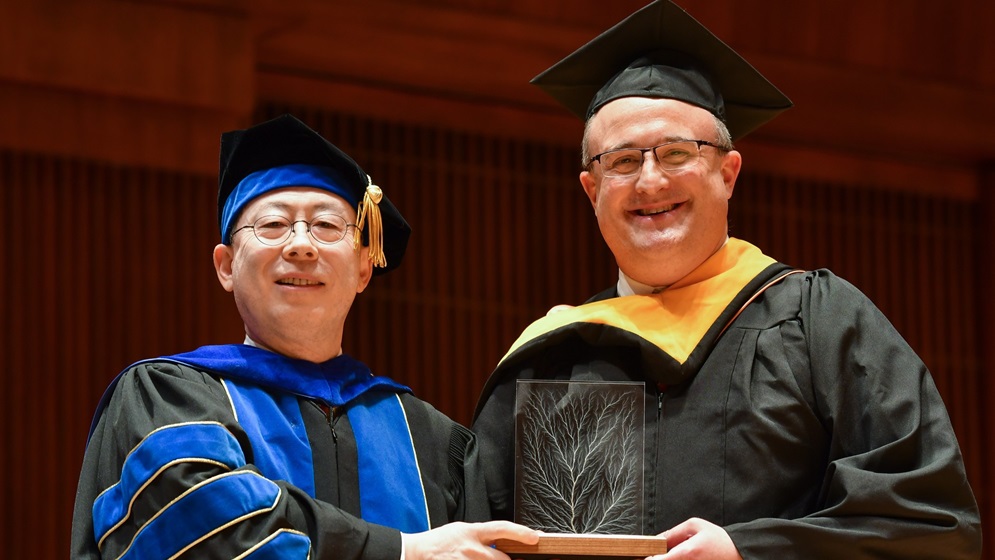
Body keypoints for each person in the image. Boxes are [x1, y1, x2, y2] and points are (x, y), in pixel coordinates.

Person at [471, 2, 982, 559]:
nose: (649, 181)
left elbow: (934, 528)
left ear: (728, 172)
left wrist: (749, 553)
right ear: (592, 190)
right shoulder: (551, 359)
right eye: (620, 162)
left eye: (675, 154)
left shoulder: (817, 322)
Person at [71, 114, 538, 559]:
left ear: (362, 268)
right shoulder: (171, 400)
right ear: (226, 267)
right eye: (273, 225)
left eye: (327, 225)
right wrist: (404, 551)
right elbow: (203, 528)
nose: (300, 243)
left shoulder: (433, 442)